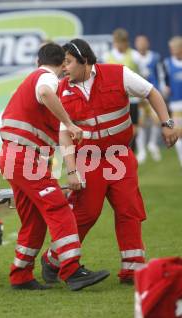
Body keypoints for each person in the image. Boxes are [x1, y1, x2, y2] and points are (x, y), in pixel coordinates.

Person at [40, 39, 178, 285]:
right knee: (86, 214)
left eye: (69, 62)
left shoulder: (118, 74)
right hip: (88, 160)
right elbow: (64, 133)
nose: (64, 68)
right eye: (62, 63)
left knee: (129, 210)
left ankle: (132, 269)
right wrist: (71, 170)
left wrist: (167, 124)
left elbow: (151, 92)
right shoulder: (62, 89)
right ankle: (53, 259)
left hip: (119, 156)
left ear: (85, 61)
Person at [0, 42, 110, 291]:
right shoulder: (47, 78)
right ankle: (71, 270)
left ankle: (21, 275)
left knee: (34, 221)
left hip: (15, 156)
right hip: (25, 157)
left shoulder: (35, 77)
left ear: (38, 60)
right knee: (60, 209)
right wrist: (70, 124)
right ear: (61, 64)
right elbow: (46, 93)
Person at [104, 28, 141, 152]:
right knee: (116, 125)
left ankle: (131, 148)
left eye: (122, 42)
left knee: (133, 126)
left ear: (126, 42)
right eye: (117, 42)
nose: (119, 45)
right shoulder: (107, 56)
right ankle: (119, 149)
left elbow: (143, 75)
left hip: (132, 98)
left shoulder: (134, 55)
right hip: (115, 99)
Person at [134, 35, 165, 164]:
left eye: (143, 42)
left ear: (148, 43)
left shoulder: (155, 57)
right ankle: (141, 150)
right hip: (139, 95)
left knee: (156, 121)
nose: (141, 44)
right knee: (140, 123)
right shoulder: (133, 57)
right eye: (139, 42)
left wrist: (162, 89)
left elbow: (161, 74)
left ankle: (152, 144)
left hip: (153, 93)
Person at [164, 36, 182, 168]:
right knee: (178, 133)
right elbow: (165, 83)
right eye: (171, 48)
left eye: (175, 48)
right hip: (176, 105)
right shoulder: (167, 63)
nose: (173, 51)